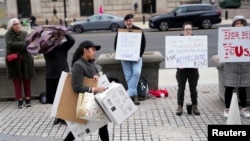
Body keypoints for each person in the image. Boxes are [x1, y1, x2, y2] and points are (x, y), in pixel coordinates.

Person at [63, 40, 109, 141]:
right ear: (85, 50)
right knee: (77, 129)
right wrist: (95, 89)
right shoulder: (78, 66)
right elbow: (77, 87)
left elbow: (94, 75)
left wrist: (96, 76)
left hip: (93, 101)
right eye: (92, 49)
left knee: (103, 124)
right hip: (84, 103)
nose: (95, 52)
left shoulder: (91, 62)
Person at [114, 14, 146, 105]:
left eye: (130, 20)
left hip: (136, 58)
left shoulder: (139, 30)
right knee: (128, 77)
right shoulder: (121, 31)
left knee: (137, 72)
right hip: (125, 58)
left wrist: (139, 55)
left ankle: (128, 94)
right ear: (125, 22)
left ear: (133, 21)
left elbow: (143, 44)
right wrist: (120, 54)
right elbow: (116, 45)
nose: (129, 22)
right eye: (127, 21)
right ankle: (134, 95)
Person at [43, 33, 75, 125]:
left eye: (55, 37)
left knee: (64, 97)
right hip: (50, 75)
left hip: (62, 75)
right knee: (54, 99)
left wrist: (65, 33)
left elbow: (72, 40)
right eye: (52, 37)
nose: (54, 39)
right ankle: (58, 116)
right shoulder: (45, 47)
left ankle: (64, 117)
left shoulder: (63, 46)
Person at [222, 15, 250, 118]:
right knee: (229, 87)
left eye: (241, 23)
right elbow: (223, 48)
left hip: (244, 66)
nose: (239, 25)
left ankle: (244, 108)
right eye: (237, 23)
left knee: (243, 87)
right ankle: (227, 108)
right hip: (231, 66)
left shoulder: (248, 36)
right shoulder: (228, 36)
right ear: (234, 25)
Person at [5, 18, 36, 108]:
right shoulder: (8, 34)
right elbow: (10, 44)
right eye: (15, 24)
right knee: (17, 81)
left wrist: (19, 45)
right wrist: (23, 44)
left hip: (26, 60)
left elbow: (29, 44)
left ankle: (28, 99)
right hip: (14, 61)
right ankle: (19, 100)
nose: (18, 25)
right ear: (11, 26)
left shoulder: (25, 33)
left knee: (27, 80)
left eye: (18, 23)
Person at [176, 22, 200, 116]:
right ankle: (180, 106)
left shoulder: (197, 41)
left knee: (193, 89)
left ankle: (195, 106)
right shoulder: (177, 41)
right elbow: (174, 55)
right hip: (182, 70)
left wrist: (198, 62)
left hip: (193, 69)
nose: (188, 31)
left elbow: (200, 54)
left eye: (190, 29)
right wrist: (178, 65)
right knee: (181, 88)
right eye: (186, 29)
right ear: (183, 31)